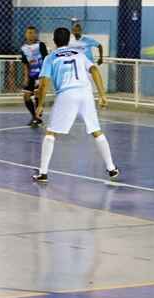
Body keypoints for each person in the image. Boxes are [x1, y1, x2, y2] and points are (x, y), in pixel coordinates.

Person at [32, 27, 119, 183]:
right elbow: (94, 70)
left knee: (51, 133)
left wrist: (40, 105)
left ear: (54, 40)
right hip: (85, 93)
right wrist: (102, 95)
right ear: (69, 40)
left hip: (67, 94)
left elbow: (44, 83)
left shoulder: (51, 57)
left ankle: (43, 173)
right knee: (96, 130)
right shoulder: (79, 54)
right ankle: (111, 168)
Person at [20, 26, 48, 127]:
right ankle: (34, 117)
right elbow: (25, 64)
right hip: (31, 75)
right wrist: (26, 78)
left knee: (37, 95)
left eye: (32, 33)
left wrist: (43, 77)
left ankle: (38, 117)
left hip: (41, 74)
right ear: (25, 34)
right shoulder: (23, 47)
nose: (30, 35)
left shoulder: (41, 45)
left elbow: (46, 60)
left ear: (36, 34)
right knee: (26, 96)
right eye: (28, 33)